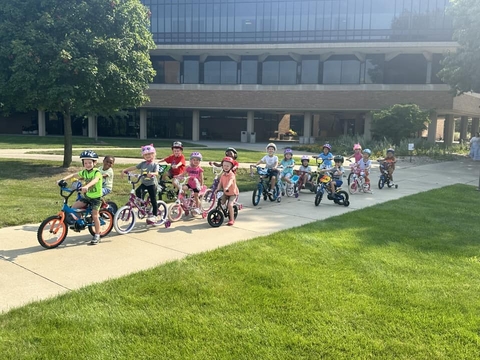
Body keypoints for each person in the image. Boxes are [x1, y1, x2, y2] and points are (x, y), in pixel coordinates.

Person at [57, 150, 103, 245]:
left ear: (94, 163)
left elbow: (95, 180)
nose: (87, 164)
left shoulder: (97, 172)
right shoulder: (85, 172)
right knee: (74, 207)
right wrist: (62, 179)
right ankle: (80, 222)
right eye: (85, 163)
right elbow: (74, 175)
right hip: (86, 196)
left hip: (96, 198)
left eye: (90, 162)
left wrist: (86, 186)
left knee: (95, 216)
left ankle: (97, 234)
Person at [122, 144, 160, 224]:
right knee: (138, 191)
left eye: (150, 154)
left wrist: (152, 173)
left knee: (153, 200)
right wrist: (125, 170)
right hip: (144, 183)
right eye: (146, 155)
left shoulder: (154, 164)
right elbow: (134, 167)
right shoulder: (143, 163)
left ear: (153, 154)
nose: (148, 156)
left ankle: (155, 215)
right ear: (143, 156)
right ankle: (142, 206)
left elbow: (156, 172)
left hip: (152, 184)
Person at [216, 156, 239, 226]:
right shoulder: (223, 175)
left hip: (233, 193)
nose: (226, 167)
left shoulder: (232, 175)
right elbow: (220, 183)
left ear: (231, 166)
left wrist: (226, 187)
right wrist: (217, 189)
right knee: (220, 203)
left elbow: (230, 181)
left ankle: (231, 219)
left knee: (230, 205)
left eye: (228, 166)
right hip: (226, 193)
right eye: (224, 165)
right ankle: (219, 216)